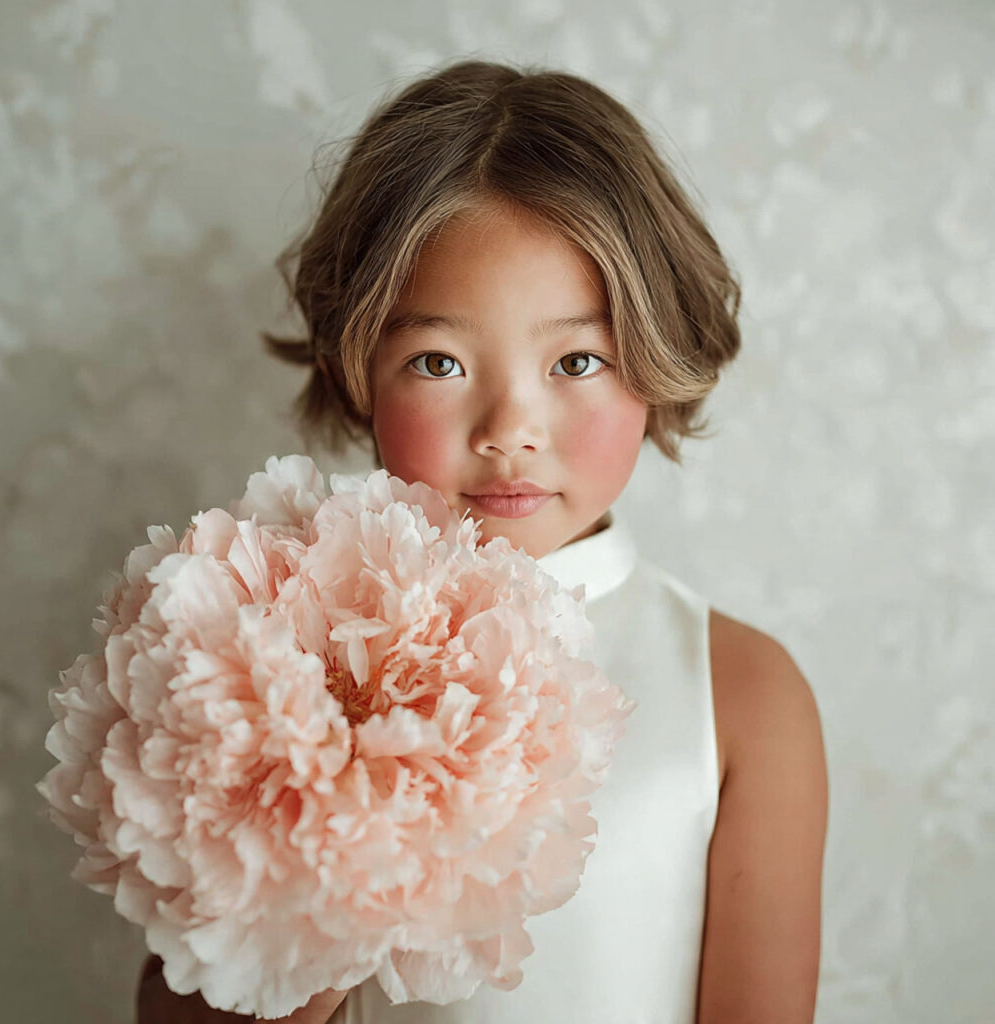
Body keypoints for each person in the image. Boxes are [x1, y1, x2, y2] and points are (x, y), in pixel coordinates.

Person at [137, 58, 828, 1024]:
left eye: (577, 360)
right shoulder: (269, 666)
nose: (511, 425)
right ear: (359, 370)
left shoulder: (746, 696)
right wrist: (334, 888)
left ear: (657, 358)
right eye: (439, 361)